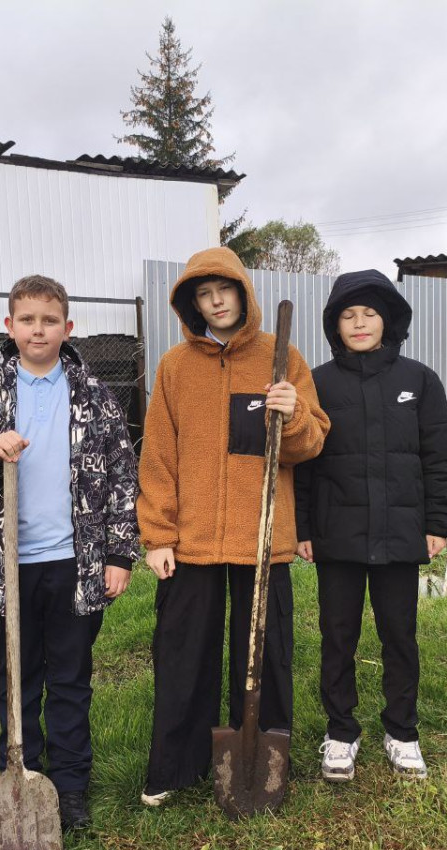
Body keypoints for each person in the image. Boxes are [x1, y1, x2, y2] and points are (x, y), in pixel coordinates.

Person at [136, 246, 330, 805]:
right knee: (183, 652)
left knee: (266, 653)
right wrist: (159, 535)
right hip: (190, 541)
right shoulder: (174, 367)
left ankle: (263, 763)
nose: (215, 300)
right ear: (191, 302)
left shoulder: (281, 357)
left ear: (245, 293)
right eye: (203, 292)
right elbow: (160, 456)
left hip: (262, 538)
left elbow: (311, 442)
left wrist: (292, 414)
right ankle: (176, 767)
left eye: (224, 289)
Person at [0, 274, 139, 832]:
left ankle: (71, 785)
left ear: (67, 328)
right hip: (8, 565)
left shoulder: (96, 398)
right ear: (9, 327)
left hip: (76, 564)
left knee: (72, 677)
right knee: (17, 673)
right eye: (27, 320)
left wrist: (119, 555)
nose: (38, 329)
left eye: (49, 320)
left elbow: (124, 478)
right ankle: (21, 769)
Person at [293, 269, 447, 783]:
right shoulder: (317, 382)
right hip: (336, 535)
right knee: (336, 636)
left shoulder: (419, 380)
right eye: (348, 315)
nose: (359, 323)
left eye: (369, 313)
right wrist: (302, 527)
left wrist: (438, 522)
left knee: (399, 635)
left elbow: (437, 457)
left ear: (388, 320)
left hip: (399, 532)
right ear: (334, 324)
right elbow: (302, 462)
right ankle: (341, 732)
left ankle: (402, 731)